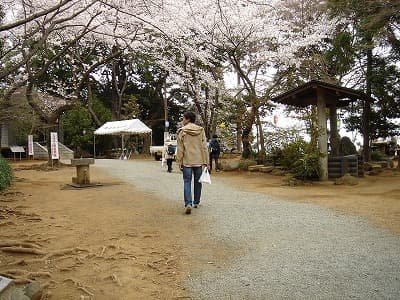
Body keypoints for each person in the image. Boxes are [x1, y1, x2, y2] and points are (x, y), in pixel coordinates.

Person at [176, 111, 209, 214]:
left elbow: (180, 148)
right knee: (198, 182)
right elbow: (204, 147)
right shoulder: (201, 130)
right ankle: (196, 202)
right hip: (198, 161)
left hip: (187, 161)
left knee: (187, 181)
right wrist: (206, 161)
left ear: (188, 119)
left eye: (183, 118)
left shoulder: (182, 131)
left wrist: (179, 161)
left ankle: (188, 203)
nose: (182, 120)